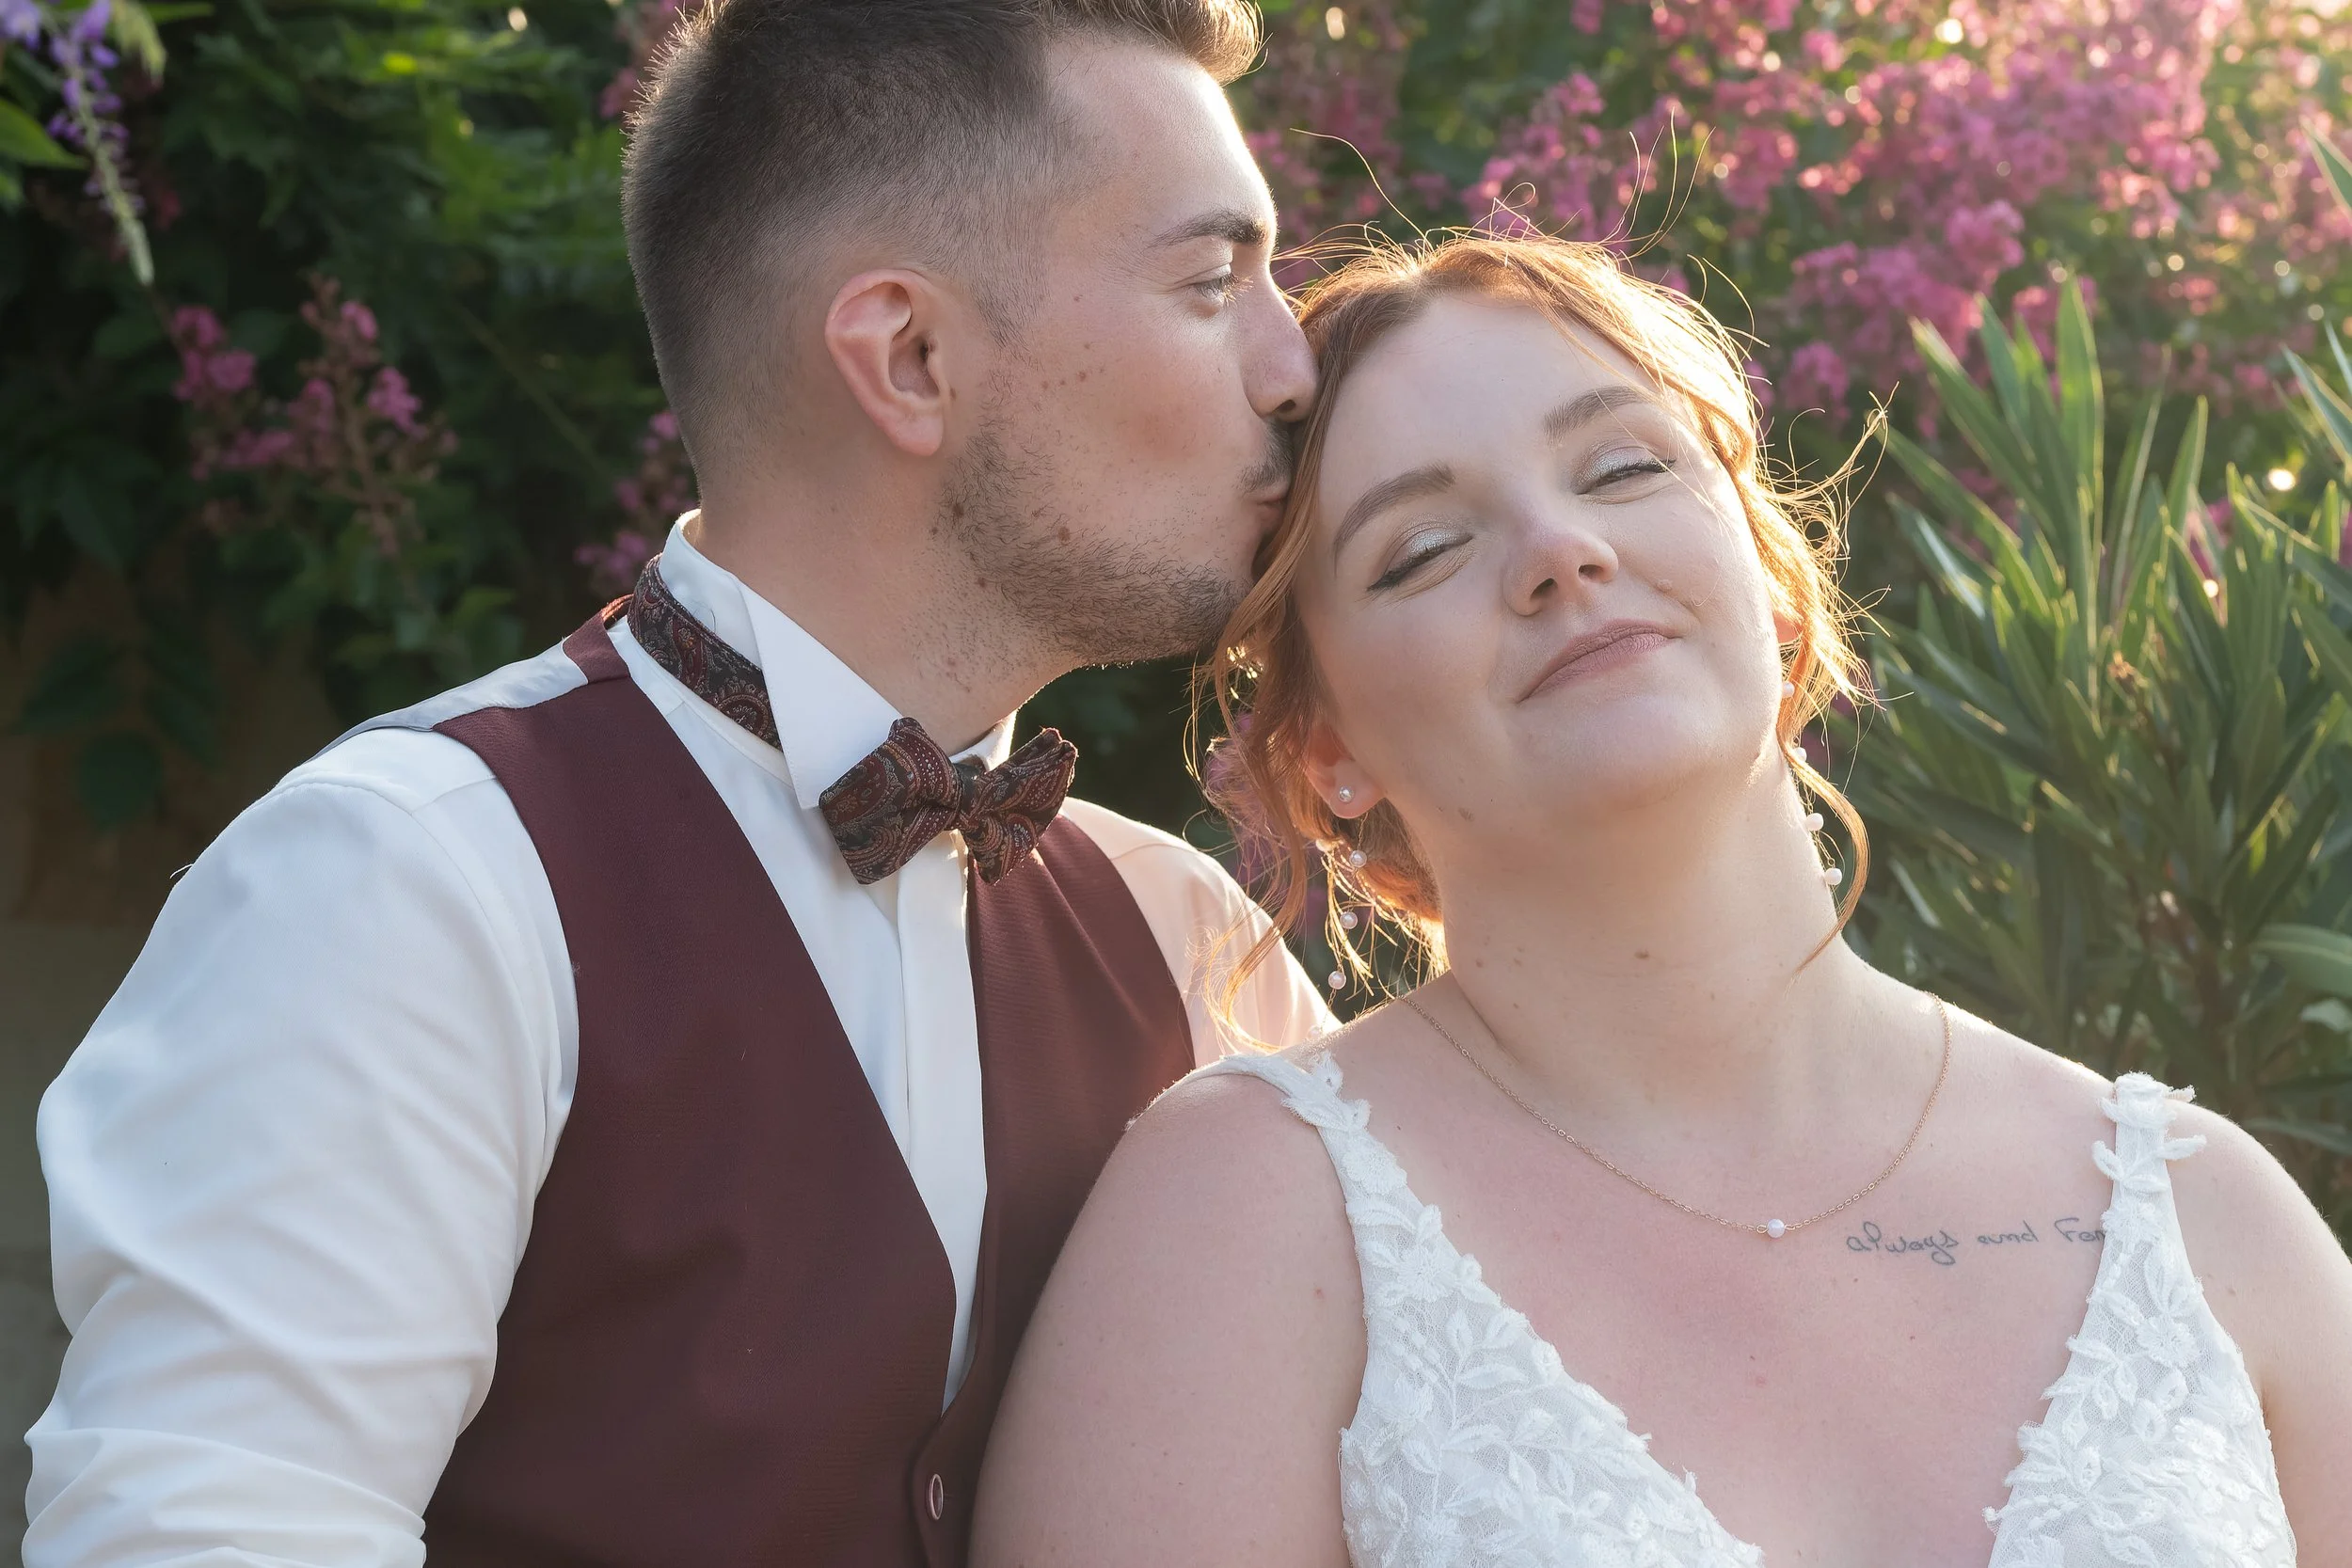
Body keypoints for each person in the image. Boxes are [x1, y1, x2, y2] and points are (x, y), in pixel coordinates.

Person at [24, 1, 1328, 1563]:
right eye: (1212, 282)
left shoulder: (1186, 942)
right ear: (909, 358)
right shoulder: (408, 884)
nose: (1293, 366)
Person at [972, 234, 2352, 1567]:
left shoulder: (2206, 1219)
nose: (1558, 549)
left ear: (1775, 579)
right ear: (1324, 749)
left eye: (1623, 467)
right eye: (1423, 548)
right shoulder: (1246, 1221)